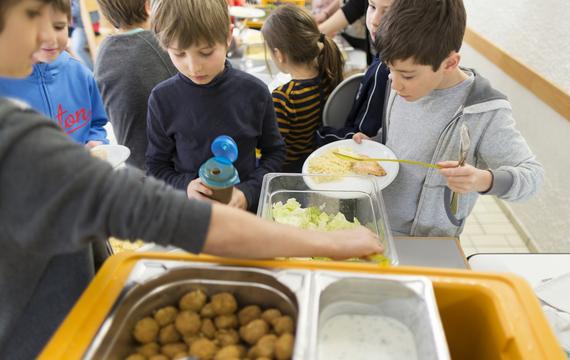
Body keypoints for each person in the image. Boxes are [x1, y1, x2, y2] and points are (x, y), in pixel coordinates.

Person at [0, 1, 382, 357]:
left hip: (71, 314)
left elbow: (266, 158)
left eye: (57, 23)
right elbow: (160, 191)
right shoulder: (159, 100)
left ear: (225, 40)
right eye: (32, 16)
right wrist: (327, 241)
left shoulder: (250, 93)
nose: (48, 38)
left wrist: (251, 196)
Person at [354, 0, 544, 237]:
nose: (394, 82)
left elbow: (533, 176)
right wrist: (373, 143)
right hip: (375, 222)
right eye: (389, 68)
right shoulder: (399, 80)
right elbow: (402, 139)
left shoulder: (484, 111)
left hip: (426, 241)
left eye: (407, 75)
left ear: (451, 63)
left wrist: (484, 180)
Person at [146, 0, 285, 212]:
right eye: (179, 53)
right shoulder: (162, 99)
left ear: (228, 37)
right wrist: (185, 187)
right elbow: (156, 167)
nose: (194, 67)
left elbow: (275, 153)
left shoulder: (254, 92)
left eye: (206, 52)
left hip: (245, 214)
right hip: (192, 215)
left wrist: (248, 192)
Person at [0, 0, 108, 147]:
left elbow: (97, 122)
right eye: (37, 28)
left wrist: (97, 140)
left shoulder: (80, 73)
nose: (51, 38)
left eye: (58, 27)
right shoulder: (5, 85)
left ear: (69, 23)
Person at [94, 0, 177, 170]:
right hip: (171, 169)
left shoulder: (103, 51)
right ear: (148, 5)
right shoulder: (162, 45)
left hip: (134, 165)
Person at [262, 4, 344, 173]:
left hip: (287, 171)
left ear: (279, 54)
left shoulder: (283, 98)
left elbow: (272, 148)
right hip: (315, 161)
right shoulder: (327, 76)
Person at [316, 0, 392, 144]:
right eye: (372, 6)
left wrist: (318, 135)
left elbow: (362, 135)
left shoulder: (384, 71)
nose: (375, 21)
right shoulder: (380, 60)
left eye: (387, 12)